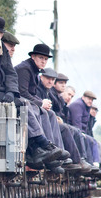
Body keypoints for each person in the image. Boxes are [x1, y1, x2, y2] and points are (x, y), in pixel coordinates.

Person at [0, 16, 62, 170]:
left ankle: (36, 151)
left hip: (1, 93)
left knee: (25, 104)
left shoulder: (2, 49)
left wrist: (11, 92)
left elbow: (11, 74)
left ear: (2, 35)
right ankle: (40, 144)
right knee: (24, 104)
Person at [14, 44, 71, 173]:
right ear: (33, 56)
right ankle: (43, 146)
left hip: (27, 102)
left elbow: (31, 94)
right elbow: (22, 92)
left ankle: (53, 152)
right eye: (41, 58)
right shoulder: (25, 68)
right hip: (18, 103)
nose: (43, 61)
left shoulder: (34, 70)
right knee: (41, 111)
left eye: (46, 59)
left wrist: (41, 103)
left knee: (49, 113)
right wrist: (40, 103)